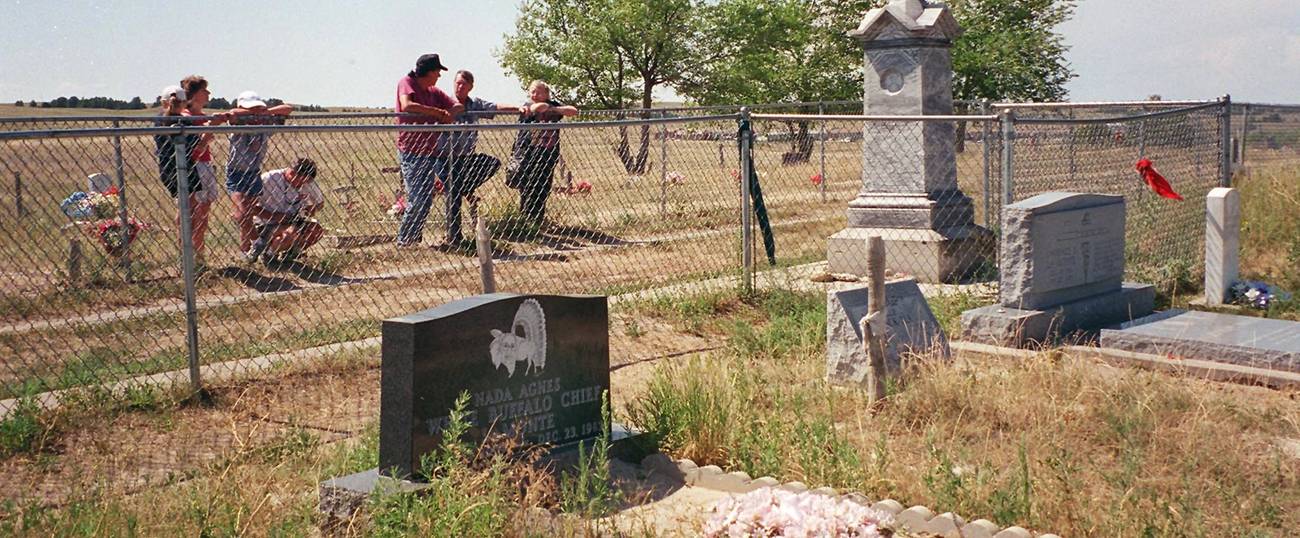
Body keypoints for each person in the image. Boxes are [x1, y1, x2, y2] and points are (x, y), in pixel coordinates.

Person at [439, 70, 518, 247]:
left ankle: (465, 189)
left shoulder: (475, 104)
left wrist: (520, 108)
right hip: (445, 156)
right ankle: (454, 237)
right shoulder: (444, 101)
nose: (460, 87)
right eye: (457, 83)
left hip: (466, 156)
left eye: (464, 84)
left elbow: (496, 107)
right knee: (453, 195)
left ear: (470, 87)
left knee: (492, 163)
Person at [394, 53, 464, 247]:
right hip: (411, 150)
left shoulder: (434, 92)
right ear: (428, 71)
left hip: (429, 151)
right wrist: (437, 113)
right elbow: (407, 105)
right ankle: (404, 241)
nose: (439, 76)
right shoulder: (406, 82)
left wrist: (449, 113)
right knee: (417, 198)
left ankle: (413, 240)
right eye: (437, 72)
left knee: (425, 199)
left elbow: (458, 106)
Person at [227, 91, 294, 253]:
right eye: (251, 108)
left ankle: (247, 252)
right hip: (237, 171)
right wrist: (251, 114)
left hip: (254, 172)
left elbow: (288, 108)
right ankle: (257, 242)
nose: (256, 111)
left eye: (258, 107)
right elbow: (232, 114)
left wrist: (265, 113)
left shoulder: (264, 122)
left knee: (247, 214)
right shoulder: (239, 123)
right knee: (241, 214)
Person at [179, 75, 234, 266]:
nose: (209, 93)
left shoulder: (201, 116)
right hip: (195, 168)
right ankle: (187, 260)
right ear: (193, 95)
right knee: (191, 215)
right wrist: (213, 126)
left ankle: (199, 259)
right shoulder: (186, 118)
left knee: (203, 217)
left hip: (206, 165)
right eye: (204, 90)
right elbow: (196, 149)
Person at [510, 80, 578, 229]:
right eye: (533, 91)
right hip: (528, 152)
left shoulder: (553, 104)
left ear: (547, 94)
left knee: (543, 186)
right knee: (527, 186)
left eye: (539, 92)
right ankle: (526, 220)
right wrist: (549, 108)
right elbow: (538, 108)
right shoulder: (526, 106)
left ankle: (538, 220)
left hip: (548, 152)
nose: (535, 94)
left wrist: (555, 110)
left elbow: (573, 111)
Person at [243, 158, 325, 265]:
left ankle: (290, 254)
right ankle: (268, 255)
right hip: (266, 224)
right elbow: (247, 207)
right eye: (301, 182)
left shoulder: (307, 182)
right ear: (291, 173)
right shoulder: (268, 179)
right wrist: (273, 215)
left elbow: (320, 203)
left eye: (306, 182)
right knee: (291, 233)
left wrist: (311, 208)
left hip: (292, 221)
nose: (302, 186)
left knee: (316, 230)